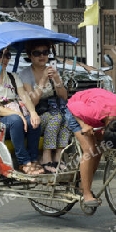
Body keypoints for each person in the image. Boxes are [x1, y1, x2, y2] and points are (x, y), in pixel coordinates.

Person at [64, 88, 116, 207]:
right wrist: (83, 124)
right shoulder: (92, 112)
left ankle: (83, 184)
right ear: (103, 131)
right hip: (76, 112)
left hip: (101, 105)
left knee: (99, 149)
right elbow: (72, 105)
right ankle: (86, 193)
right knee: (90, 150)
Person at [0, 49, 43, 175]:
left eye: (8, 55)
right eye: (0, 55)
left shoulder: (13, 77)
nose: (5, 59)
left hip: (17, 116)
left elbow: (24, 96)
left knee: (34, 121)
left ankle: (34, 159)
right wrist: (17, 114)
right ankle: (24, 162)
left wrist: (33, 112)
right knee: (16, 120)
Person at [19, 40, 70, 173]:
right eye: (37, 53)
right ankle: (46, 157)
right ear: (30, 56)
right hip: (36, 114)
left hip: (54, 109)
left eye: (45, 52)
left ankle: (59, 156)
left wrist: (57, 80)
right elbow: (32, 102)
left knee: (67, 117)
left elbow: (63, 97)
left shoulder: (52, 70)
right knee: (57, 117)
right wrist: (42, 81)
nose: (42, 56)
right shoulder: (26, 74)